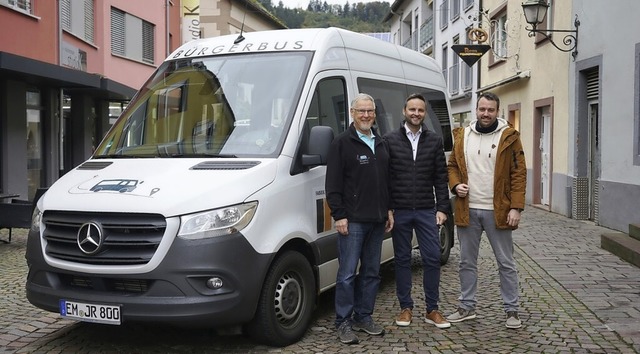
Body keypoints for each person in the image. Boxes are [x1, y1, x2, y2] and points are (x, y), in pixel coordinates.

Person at [446, 91, 527, 329]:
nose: (486, 113)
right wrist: (454, 184)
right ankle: (466, 306)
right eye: (482, 109)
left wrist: (516, 207)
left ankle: (511, 310)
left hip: (498, 210)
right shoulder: (463, 135)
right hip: (467, 209)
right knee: (466, 262)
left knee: (506, 262)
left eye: (490, 110)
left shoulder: (509, 136)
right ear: (476, 110)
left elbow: (519, 173)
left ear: (497, 111)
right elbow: (452, 166)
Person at [325, 93, 394, 344]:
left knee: (372, 273)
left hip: (377, 220)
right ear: (352, 113)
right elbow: (332, 184)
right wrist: (339, 215)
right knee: (346, 275)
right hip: (352, 221)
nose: (366, 115)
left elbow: (386, 181)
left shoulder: (382, 142)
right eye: (361, 111)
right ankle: (343, 322)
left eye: (370, 111)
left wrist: (388, 210)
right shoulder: (342, 143)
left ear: (374, 114)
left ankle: (363, 316)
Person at [384, 93, 451, 329]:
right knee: (402, 260)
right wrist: (388, 209)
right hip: (400, 210)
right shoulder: (390, 140)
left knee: (432, 258)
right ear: (404, 111)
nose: (416, 113)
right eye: (412, 109)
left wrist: (442, 208)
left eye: (420, 110)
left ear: (424, 113)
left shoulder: (434, 140)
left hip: (425, 210)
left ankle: (432, 309)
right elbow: (386, 178)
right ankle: (406, 308)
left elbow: (440, 177)